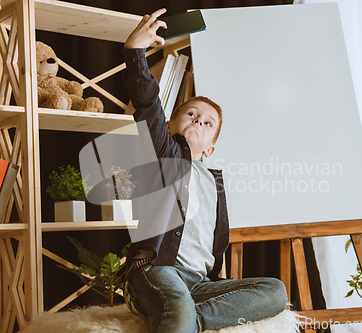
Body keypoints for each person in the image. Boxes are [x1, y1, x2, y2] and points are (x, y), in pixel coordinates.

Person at [122, 8, 287, 333]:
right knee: (177, 303)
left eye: (207, 122)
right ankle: (182, 315)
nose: (198, 120)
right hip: (156, 270)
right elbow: (148, 105)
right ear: (170, 126)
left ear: (210, 148)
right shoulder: (167, 154)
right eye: (191, 115)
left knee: (275, 291)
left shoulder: (214, 182)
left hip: (199, 284)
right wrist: (135, 53)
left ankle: (188, 321)